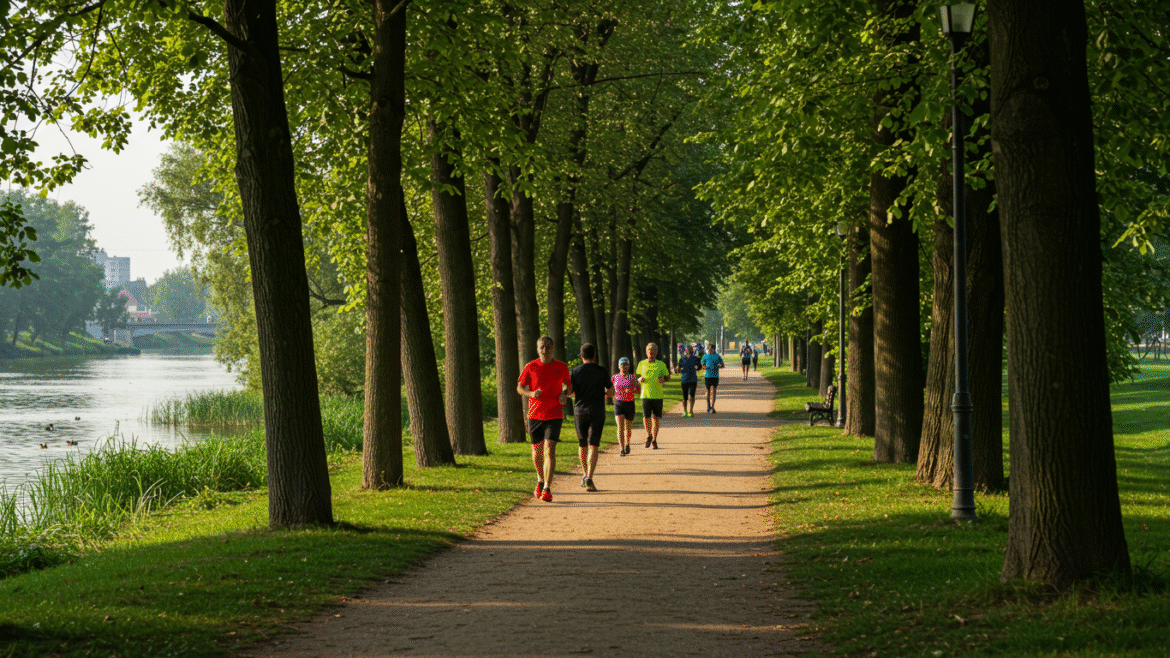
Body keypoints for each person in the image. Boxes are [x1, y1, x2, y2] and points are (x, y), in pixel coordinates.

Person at [516, 336, 572, 502]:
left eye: (548, 347)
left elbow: (568, 385)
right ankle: (540, 479)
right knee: (537, 452)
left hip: (554, 414)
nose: (545, 350)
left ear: (553, 348)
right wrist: (531, 393)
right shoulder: (531, 366)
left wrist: (564, 395)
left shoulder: (561, 367)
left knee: (550, 450)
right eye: (542, 347)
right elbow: (520, 387)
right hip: (534, 415)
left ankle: (547, 488)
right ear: (537, 349)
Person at [570, 343, 613, 492]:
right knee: (593, 444)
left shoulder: (575, 371)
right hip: (597, 411)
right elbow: (611, 391)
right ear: (594, 355)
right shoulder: (602, 371)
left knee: (582, 444)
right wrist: (603, 393)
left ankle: (584, 474)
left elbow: (570, 392)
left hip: (580, 411)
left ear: (581, 356)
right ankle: (589, 476)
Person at [635, 342, 670, 449]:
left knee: (655, 418)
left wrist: (663, 379)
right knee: (646, 417)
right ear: (646, 352)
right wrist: (639, 379)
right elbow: (636, 377)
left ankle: (654, 440)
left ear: (657, 352)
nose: (652, 352)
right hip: (645, 394)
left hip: (658, 395)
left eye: (654, 350)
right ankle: (649, 435)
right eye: (650, 350)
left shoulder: (661, 364)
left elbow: (668, 377)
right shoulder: (641, 364)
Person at [611, 357, 639, 456]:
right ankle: (622, 449)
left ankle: (627, 443)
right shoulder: (614, 377)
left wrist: (631, 390)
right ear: (619, 366)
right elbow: (610, 389)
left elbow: (638, 390)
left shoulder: (632, 377)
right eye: (622, 364)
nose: (624, 366)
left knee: (628, 428)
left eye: (626, 364)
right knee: (620, 427)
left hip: (629, 403)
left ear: (629, 366)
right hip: (618, 403)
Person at [675, 345, 702, 417]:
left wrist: (697, 367)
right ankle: (685, 411)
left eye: (690, 349)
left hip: (693, 379)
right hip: (684, 379)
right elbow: (679, 368)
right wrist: (677, 369)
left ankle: (691, 410)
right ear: (686, 350)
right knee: (685, 397)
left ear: (692, 350)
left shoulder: (696, 359)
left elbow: (699, 367)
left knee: (692, 396)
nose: (689, 350)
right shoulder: (682, 359)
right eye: (687, 349)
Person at [701, 341, 725, 413]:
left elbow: (722, 365)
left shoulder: (717, 356)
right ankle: (708, 406)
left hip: (715, 375)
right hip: (708, 376)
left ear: (714, 349)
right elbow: (702, 365)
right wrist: (704, 367)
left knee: (714, 390)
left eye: (711, 349)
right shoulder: (705, 356)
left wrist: (720, 365)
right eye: (709, 349)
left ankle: (713, 406)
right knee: (708, 391)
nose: (710, 350)